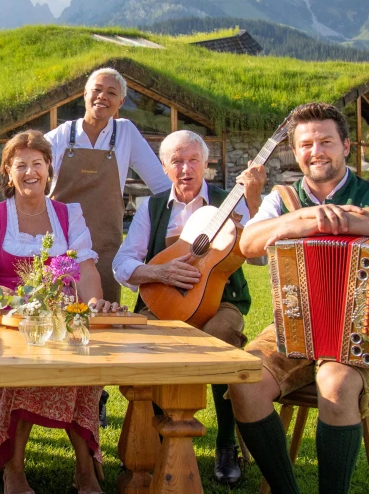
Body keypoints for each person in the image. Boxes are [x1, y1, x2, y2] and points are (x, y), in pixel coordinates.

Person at [230, 103, 369, 494]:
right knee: (244, 380)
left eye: (326, 142)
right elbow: (248, 244)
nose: (315, 151)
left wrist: (344, 218)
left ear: (346, 146)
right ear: (295, 151)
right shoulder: (283, 199)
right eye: (306, 144)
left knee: (336, 383)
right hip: (293, 327)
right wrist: (301, 220)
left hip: (360, 332)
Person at [0, 131, 122, 494]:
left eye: (37, 163)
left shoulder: (69, 215)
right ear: (8, 172)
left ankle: (85, 468)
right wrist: (3, 302)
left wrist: (91, 305)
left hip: (60, 318)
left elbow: (86, 272)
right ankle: (14, 470)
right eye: (20, 165)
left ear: (49, 169)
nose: (30, 172)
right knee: (23, 372)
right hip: (3, 320)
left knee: (83, 372)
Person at [112, 130, 265, 486]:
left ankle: (226, 444)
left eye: (193, 160)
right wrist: (159, 271)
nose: (185, 169)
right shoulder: (152, 207)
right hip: (163, 303)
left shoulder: (233, 201)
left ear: (206, 164)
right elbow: (122, 262)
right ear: (164, 167)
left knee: (220, 339)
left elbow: (261, 256)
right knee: (145, 345)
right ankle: (155, 437)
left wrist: (255, 204)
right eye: (177, 161)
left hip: (221, 301)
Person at [45, 67, 171, 305]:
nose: (103, 96)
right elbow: (30, 173)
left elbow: (162, 186)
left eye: (111, 93)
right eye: (97, 90)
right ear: (85, 94)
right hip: (60, 244)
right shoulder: (61, 136)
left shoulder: (126, 133)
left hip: (105, 246)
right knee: (56, 312)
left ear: (120, 102)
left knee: (104, 313)